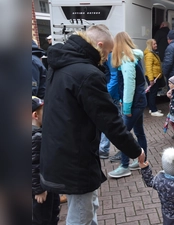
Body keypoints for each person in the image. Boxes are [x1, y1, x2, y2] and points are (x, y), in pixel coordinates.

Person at [41, 24, 145, 225]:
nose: (107, 59)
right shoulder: (87, 73)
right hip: (76, 157)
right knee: (81, 215)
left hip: (59, 150)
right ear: (99, 45)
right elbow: (110, 122)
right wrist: (136, 150)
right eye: (106, 53)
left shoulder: (61, 63)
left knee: (85, 208)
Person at [108, 31, 148, 178]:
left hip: (134, 103)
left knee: (123, 135)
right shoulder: (134, 57)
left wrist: (126, 107)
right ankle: (141, 160)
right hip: (139, 100)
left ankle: (124, 166)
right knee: (139, 132)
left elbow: (129, 85)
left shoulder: (126, 60)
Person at [32, 96, 60, 225]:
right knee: (43, 218)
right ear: (35, 115)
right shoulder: (36, 137)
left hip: (48, 184)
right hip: (41, 189)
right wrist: (39, 189)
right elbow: (33, 166)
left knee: (52, 214)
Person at [99, 52, 123, 159]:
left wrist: (106, 93)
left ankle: (106, 149)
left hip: (113, 96)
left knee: (114, 122)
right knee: (112, 122)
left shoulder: (110, 56)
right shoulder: (110, 56)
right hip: (113, 95)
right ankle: (104, 148)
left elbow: (114, 77)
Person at [144, 38, 164, 117]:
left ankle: (152, 108)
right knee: (153, 93)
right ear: (150, 45)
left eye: (156, 43)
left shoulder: (152, 53)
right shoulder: (150, 54)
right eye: (154, 44)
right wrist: (151, 79)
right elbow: (148, 67)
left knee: (153, 93)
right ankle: (153, 110)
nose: (156, 45)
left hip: (155, 76)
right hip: (153, 77)